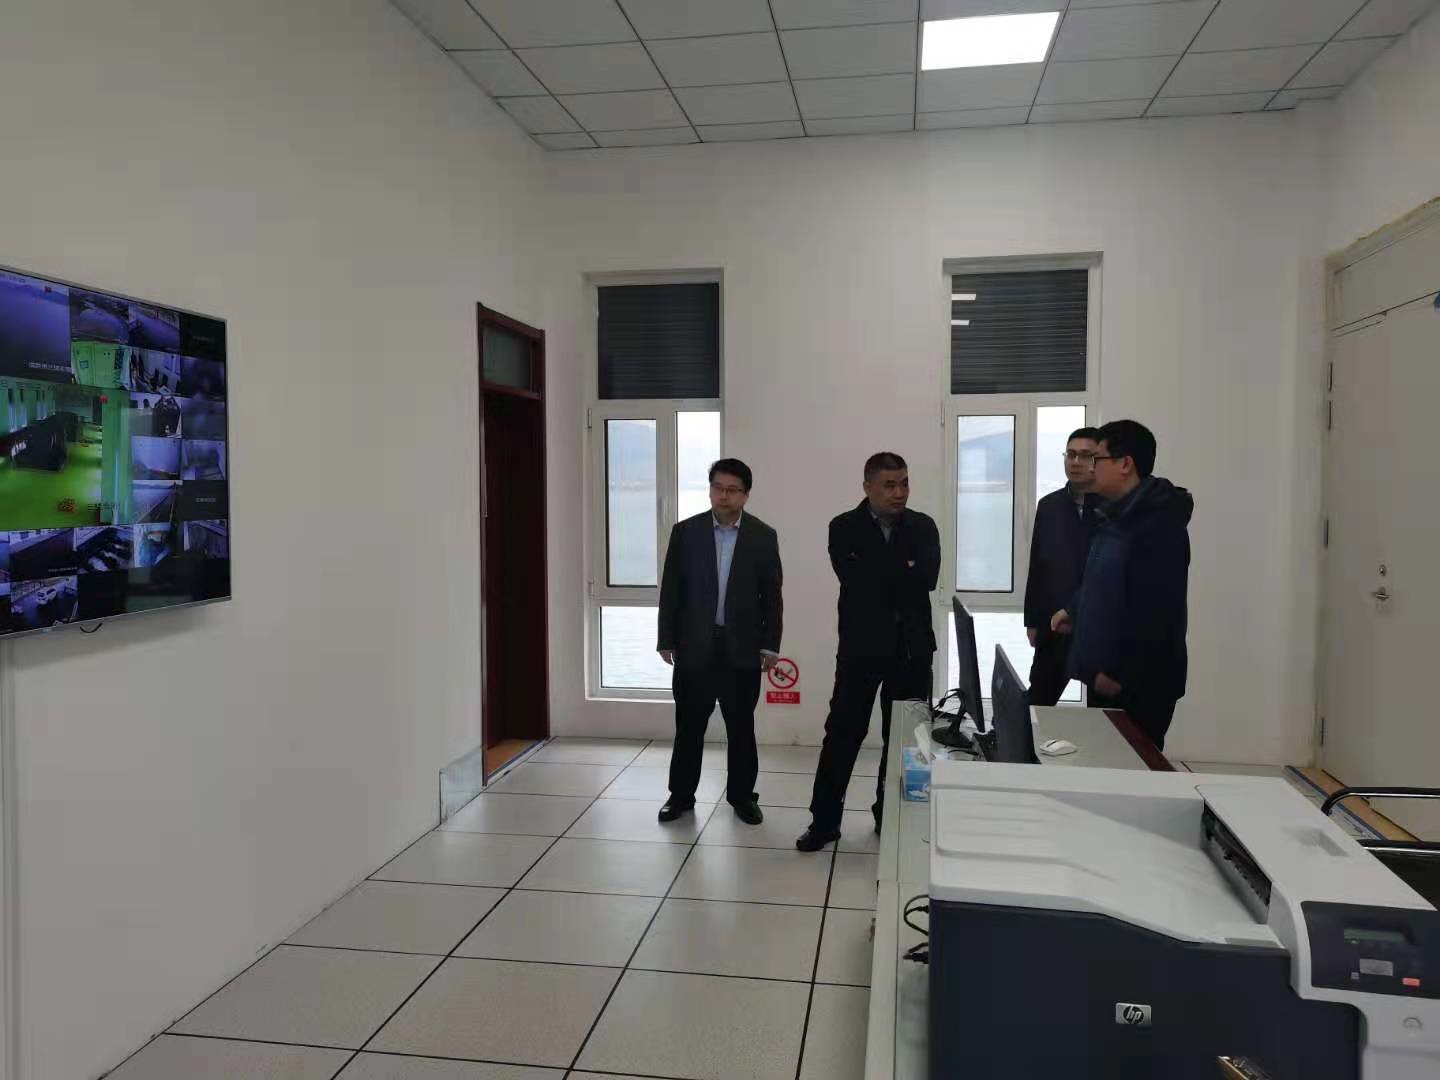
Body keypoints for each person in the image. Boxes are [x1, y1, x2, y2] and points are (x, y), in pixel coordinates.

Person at [797, 452, 940, 852]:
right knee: (842, 735)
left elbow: (926, 578)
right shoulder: (843, 527)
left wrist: (889, 572)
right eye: (889, 485)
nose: (899, 492)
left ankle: (889, 816)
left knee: (906, 741)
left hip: (912, 651)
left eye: (904, 483)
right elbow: (857, 580)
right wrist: (902, 568)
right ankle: (824, 822)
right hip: (860, 650)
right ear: (868, 487)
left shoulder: (923, 526)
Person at [1051, 420, 1192, 750]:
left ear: (1125, 464)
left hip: (1136, 682)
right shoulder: (1118, 515)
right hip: (1106, 673)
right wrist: (1074, 610)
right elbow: (1102, 578)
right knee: (1104, 762)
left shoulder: (1157, 523)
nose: (1090, 467)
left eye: (1097, 459)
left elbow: (1157, 611)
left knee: (1131, 767)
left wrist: (1117, 672)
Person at [657, 458, 783, 826]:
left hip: (742, 649)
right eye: (717, 488)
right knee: (689, 726)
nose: (723, 496)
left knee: (741, 728)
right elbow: (671, 590)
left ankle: (743, 797)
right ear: (710, 489)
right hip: (694, 646)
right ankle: (680, 796)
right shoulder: (686, 532)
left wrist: (770, 645)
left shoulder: (763, 536)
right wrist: (666, 639)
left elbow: (771, 596)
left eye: (732, 490)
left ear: (746, 494)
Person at [1023, 427, 1102, 706]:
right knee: (1037, 703)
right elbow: (1037, 565)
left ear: (1100, 460)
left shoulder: (1113, 507)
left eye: (1085, 455)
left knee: (1102, 712)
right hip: (1054, 625)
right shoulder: (1049, 506)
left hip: (1098, 627)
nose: (1075, 462)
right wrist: (1032, 620)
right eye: (1070, 454)